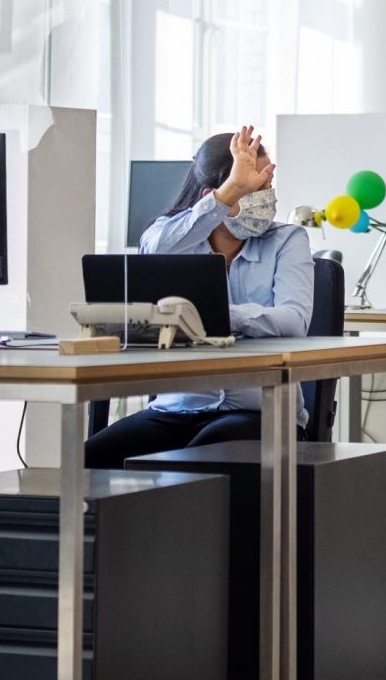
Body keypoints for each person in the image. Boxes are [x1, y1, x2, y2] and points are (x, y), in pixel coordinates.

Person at [85, 126, 314, 467]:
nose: (266, 197)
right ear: (214, 194)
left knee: (202, 452)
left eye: (267, 187)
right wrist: (230, 192)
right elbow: (154, 252)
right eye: (253, 188)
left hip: (258, 410)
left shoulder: (287, 239)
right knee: (93, 455)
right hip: (178, 407)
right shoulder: (169, 234)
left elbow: (294, 320)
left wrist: (213, 317)